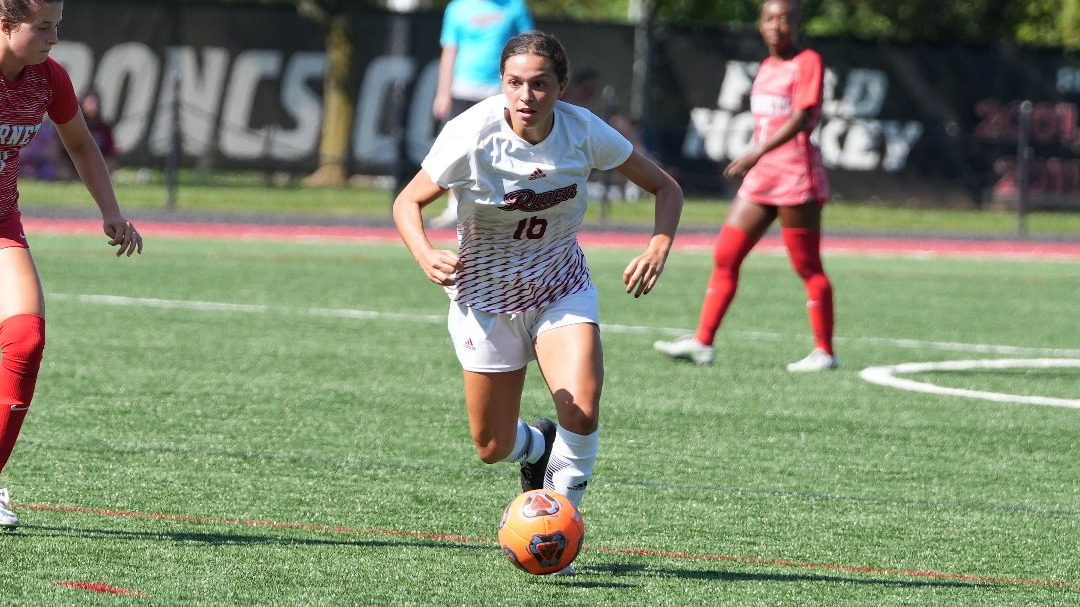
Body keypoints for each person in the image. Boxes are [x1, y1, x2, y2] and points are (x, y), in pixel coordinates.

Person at [393, 31, 682, 572]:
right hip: (484, 298)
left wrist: (659, 243)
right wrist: (424, 253)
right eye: (515, 83)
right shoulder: (470, 134)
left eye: (541, 84)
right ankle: (536, 445)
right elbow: (408, 202)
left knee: (582, 404)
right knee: (491, 446)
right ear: (502, 85)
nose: (527, 96)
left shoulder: (582, 131)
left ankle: (559, 526)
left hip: (559, 286)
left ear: (561, 88)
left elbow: (666, 188)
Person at [0, 0, 143, 529]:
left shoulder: (47, 77)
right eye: (43, 27)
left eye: (57, 26)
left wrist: (112, 212)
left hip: (1, 224)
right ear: (5, 23)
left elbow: (80, 144)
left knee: (25, 341)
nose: (54, 38)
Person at [653, 0, 837, 372]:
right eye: (770, 18)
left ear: (796, 24)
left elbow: (804, 116)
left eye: (785, 19)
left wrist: (756, 152)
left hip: (795, 177)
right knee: (726, 254)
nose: (777, 26)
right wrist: (757, 158)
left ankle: (825, 351)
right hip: (762, 179)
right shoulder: (767, 67)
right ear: (760, 24)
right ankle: (703, 343)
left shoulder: (808, 62)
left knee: (807, 265)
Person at [428, 0, 534, 229]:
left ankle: (510, 205)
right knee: (457, 151)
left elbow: (531, 47)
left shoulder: (515, 6)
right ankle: (453, 207)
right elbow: (449, 51)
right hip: (463, 89)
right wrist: (443, 92)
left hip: (501, 90)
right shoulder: (457, 8)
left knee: (506, 149)